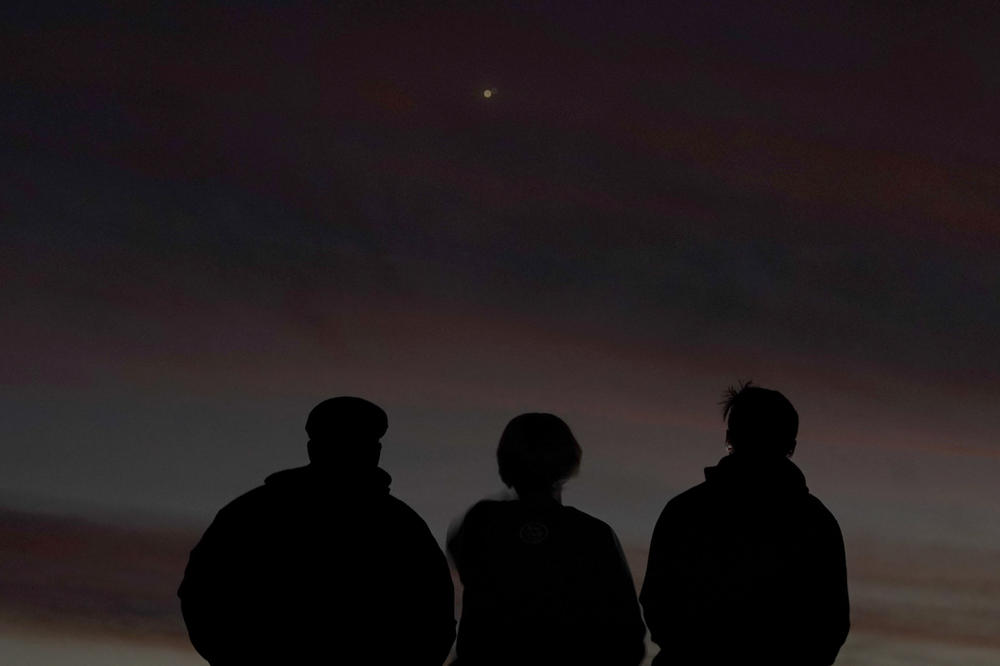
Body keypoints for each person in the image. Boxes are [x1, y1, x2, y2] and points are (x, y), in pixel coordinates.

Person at [178, 396, 455, 665]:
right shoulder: (401, 525)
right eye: (345, 441)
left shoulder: (402, 526)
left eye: (364, 443)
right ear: (314, 448)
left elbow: (434, 616)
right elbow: (202, 593)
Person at [640, 383, 849, 665]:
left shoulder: (686, 511)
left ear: (730, 437)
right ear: (791, 446)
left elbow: (659, 604)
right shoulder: (816, 523)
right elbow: (830, 623)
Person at [448, 413, 646, 666]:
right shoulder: (592, 534)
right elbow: (627, 636)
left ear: (505, 466)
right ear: (569, 463)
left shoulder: (481, 523)